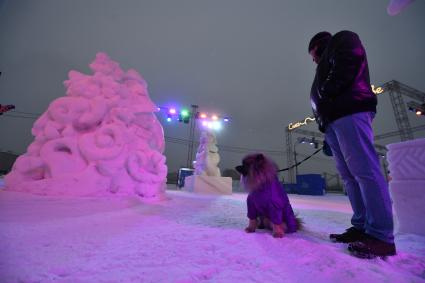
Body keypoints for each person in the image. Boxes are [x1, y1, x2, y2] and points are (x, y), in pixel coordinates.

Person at [308, 31, 395, 258]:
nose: (313, 60)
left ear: (318, 46)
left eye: (312, 54)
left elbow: (349, 60)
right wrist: (323, 123)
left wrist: (327, 89)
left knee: (365, 171)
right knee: (349, 176)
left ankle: (380, 235)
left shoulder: (342, 39)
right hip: (334, 121)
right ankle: (361, 226)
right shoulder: (324, 63)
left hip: (350, 111)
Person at [235, 153, 301, 238]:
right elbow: (252, 207)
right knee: (252, 201)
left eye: (246, 165)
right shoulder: (254, 190)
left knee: (274, 206)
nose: (241, 168)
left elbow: (276, 207)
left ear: (258, 168)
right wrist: (252, 226)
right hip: (266, 218)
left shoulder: (272, 191)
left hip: (283, 219)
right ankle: (259, 224)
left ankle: (277, 228)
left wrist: (278, 228)